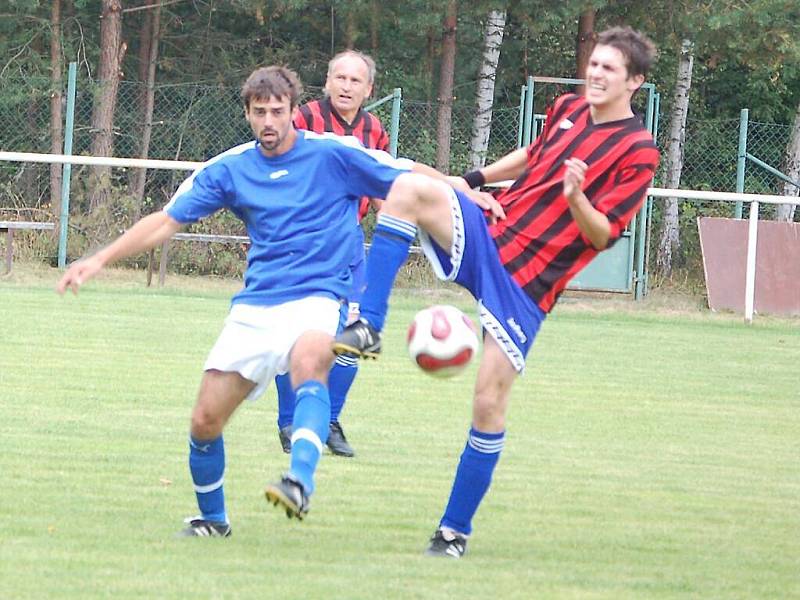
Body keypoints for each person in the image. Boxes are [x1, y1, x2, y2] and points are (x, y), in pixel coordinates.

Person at [333, 26, 660, 558]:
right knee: (408, 189)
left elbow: (602, 233)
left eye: (609, 69)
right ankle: (368, 322)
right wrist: (473, 179)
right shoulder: (568, 109)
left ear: (635, 82)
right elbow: (536, 154)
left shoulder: (638, 151)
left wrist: (575, 196)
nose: (595, 74)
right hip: (495, 231)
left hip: (530, 282)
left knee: (488, 402)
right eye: (594, 64)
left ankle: (453, 531)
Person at [55, 65, 423, 535]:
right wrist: (99, 259)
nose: (269, 121)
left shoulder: (334, 156)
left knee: (311, 363)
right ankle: (213, 521)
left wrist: (468, 188)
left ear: (294, 112)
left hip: (318, 296)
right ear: (248, 113)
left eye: (278, 111)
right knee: (205, 420)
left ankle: (299, 479)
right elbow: (166, 221)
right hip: (255, 307)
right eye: (259, 112)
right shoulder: (231, 168)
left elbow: (410, 177)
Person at [274, 49, 390, 458]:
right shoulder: (302, 119)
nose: (346, 86)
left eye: (355, 80)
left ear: (368, 89)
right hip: (299, 244)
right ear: (326, 82)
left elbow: (380, 190)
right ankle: (290, 421)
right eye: (339, 78)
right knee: (294, 335)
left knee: (353, 338)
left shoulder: (375, 130)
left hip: (349, 246)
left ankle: (329, 420)